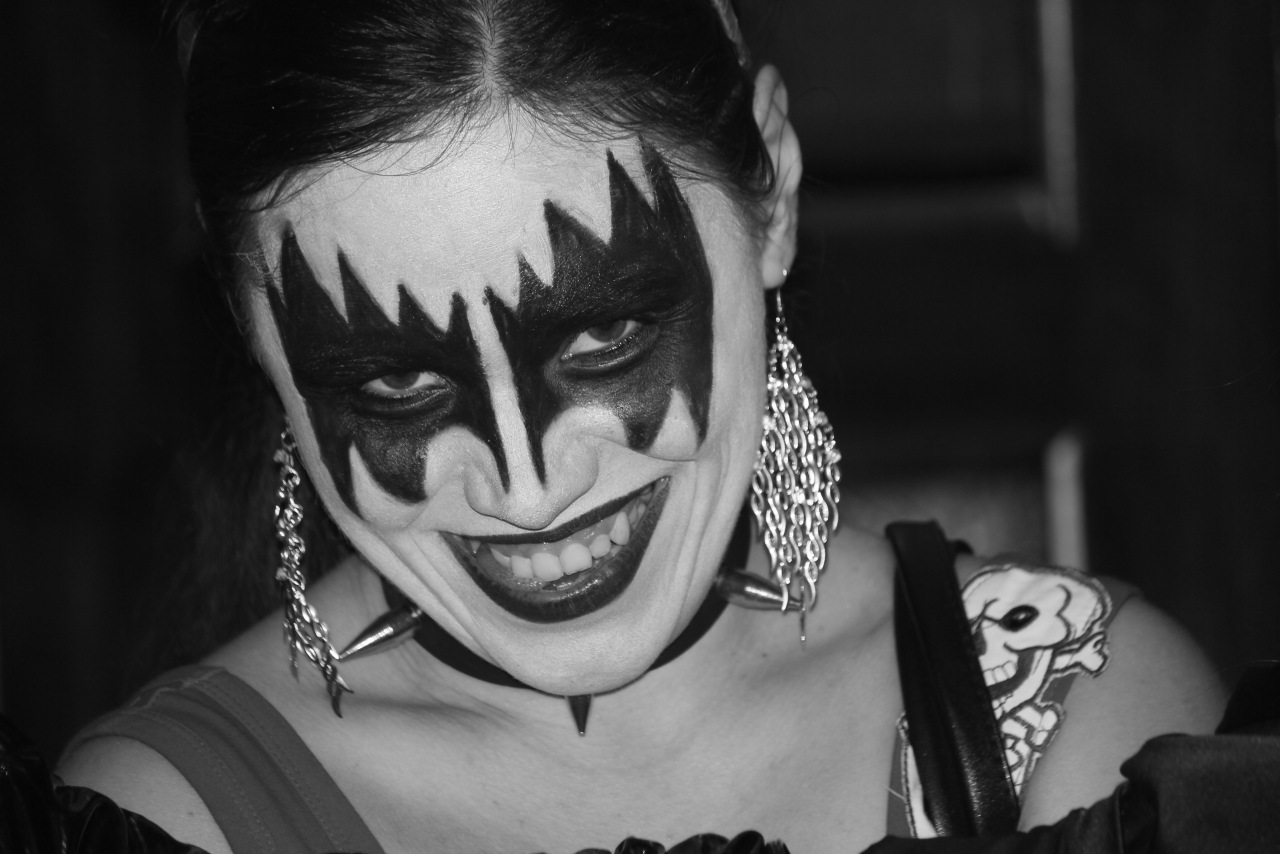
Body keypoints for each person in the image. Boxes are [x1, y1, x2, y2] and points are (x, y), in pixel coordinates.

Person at [49, 1, 1225, 852]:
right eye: (396, 385)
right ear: (253, 333)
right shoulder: (159, 818)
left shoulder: (1092, 734)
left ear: (771, 191)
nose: (526, 486)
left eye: (604, 334)